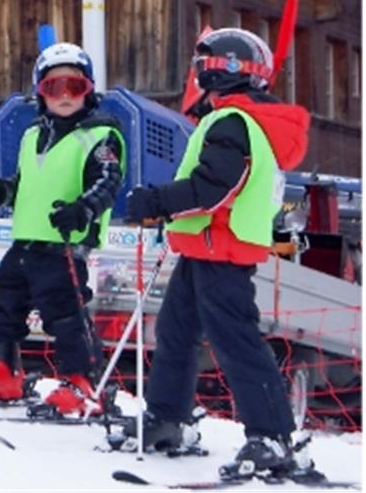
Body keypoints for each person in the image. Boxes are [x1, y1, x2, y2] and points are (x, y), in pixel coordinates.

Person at [123, 28, 316, 478]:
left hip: (222, 248)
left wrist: (155, 201)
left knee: (235, 341)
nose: (197, 75)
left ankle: (271, 436)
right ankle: (167, 418)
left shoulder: (234, 121)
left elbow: (214, 186)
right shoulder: (233, 118)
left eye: (203, 65)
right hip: (206, 245)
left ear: (224, 69)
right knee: (175, 333)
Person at [0, 42, 125, 415]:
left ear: (89, 91)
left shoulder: (100, 136)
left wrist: (83, 209)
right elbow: (23, 185)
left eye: (75, 87)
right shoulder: (32, 135)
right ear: (40, 92)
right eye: (54, 88)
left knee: (64, 314)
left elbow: (107, 182)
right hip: (26, 241)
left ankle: (83, 382)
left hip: (65, 243)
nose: (65, 96)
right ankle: (3, 369)